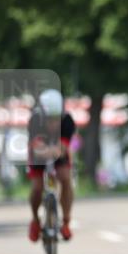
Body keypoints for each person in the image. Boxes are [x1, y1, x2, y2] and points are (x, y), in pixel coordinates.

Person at [27, 89, 76, 242]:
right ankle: (35, 220)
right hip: (39, 154)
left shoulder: (67, 121)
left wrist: (56, 151)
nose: (53, 123)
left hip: (57, 150)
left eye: (56, 118)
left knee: (65, 178)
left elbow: (63, 148)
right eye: (49, 118)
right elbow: (37, 147)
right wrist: (45, 150)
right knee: (37, 187)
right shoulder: (34, 121)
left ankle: (66, 221)